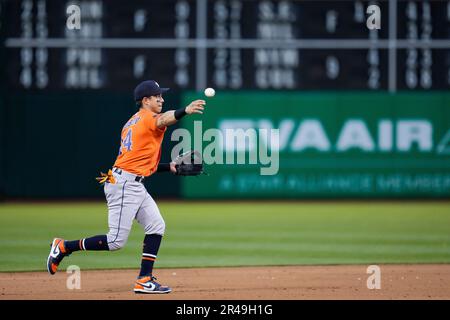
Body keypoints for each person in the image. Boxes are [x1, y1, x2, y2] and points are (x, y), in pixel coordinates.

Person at [46, 80, 206, 294]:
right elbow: (163, 119)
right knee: (115, 241)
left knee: (157, 226)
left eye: (162, 95)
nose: (162, 99)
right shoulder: (148, 118)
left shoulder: (131, 122)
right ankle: (64, 246)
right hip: (124, 185)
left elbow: (138, 162)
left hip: (131, 182)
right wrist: (184, 111)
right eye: (157, 96)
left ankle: (144, 279)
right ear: (145, 100)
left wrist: (171, 167)